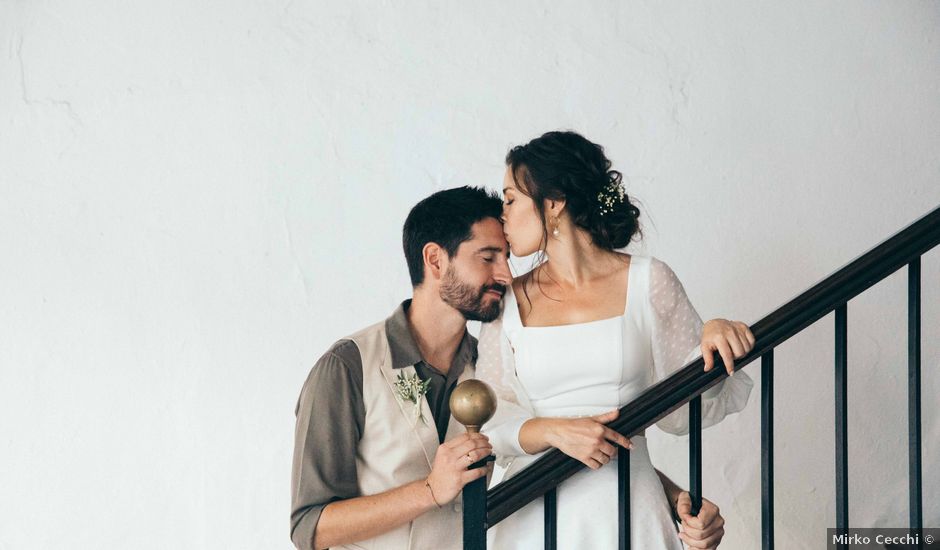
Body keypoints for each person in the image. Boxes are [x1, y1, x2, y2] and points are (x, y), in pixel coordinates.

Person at [291, 186, 732, 550]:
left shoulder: (492, 363)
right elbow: (309, 526)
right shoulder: (348, 367)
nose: (506, 274)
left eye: (506, 257)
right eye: (488, 257)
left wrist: (674, 499)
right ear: (435, 260)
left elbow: (577, 441)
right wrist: (429, 490)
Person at [477, 131, 755, 550]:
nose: (502, 215)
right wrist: (554, 432)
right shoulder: (508, 303)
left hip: (629, 507)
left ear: (552, 203)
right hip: (531, 511)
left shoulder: (650, 281)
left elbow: (688, 407)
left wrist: (713, 334)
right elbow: (490, 424)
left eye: (511, 199)